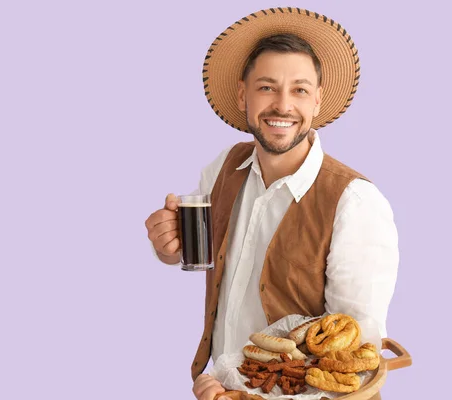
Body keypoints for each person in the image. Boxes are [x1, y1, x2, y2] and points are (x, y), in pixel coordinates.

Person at [144, 7, 398, 400]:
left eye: (299, 89)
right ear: (244, 94)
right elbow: (207, 257)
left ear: (317, 101)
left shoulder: (356, 202)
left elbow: (355, 357)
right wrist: (167, 246)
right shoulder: (223, 168)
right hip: (225, 385)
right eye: (266, 87)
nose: (282, 105)